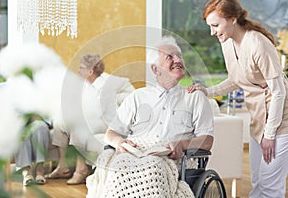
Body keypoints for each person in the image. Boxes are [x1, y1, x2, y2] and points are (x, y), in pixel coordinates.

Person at [86, 36, 214, 197]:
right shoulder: (137, 97)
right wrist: (119, 142)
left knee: (153, 168)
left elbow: (207, 140)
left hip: (173, 161)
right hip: (135, 155)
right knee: (117, 169)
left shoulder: (195, 97)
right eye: (170, 57)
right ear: (155, 69)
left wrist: (181, 144)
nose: (177, 60)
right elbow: (111, 133)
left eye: (179, 56)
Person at [187, 0, 288, 197]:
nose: (212, 32)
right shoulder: (228, 43)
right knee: (257, 181)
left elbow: (278, 92)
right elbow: (235, 80)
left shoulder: (258, 43)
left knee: (270, 184)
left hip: (280, 120)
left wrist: (270, 133)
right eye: (210, 26)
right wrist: (207, 91)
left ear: (233, 19)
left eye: (215, 25)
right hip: (259, 117)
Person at [45, 54, 135, 185]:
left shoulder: (106, 85)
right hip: (93, 119)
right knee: (60, 123)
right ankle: (63, 165)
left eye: (81, 68)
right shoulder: (86, 84)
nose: (78, 71)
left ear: (90, 71)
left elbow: (112, 109)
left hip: (107, 122)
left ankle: (81, 169)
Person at [15, 119, 50, 186]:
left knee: (40, 126)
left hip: (38, 118)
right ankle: (26, 171)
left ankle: (40, 169)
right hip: (19, 120)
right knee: (20, 127)